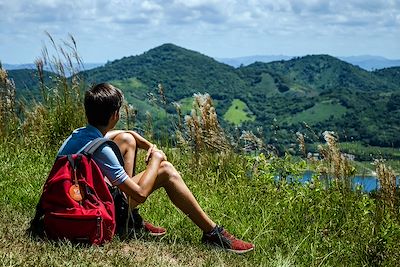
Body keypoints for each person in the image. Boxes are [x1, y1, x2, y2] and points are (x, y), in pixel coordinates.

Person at [57, 83, 254, 253]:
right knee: (166, 170)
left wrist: (145, 144)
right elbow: (141, 194)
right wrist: (156, 158)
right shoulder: (103, 152)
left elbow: (124, 134)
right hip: (95, 213)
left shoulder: (78, 135)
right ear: (115, 115)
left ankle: (130, 220)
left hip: (74, 201)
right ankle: (213, 234)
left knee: (127, 140)